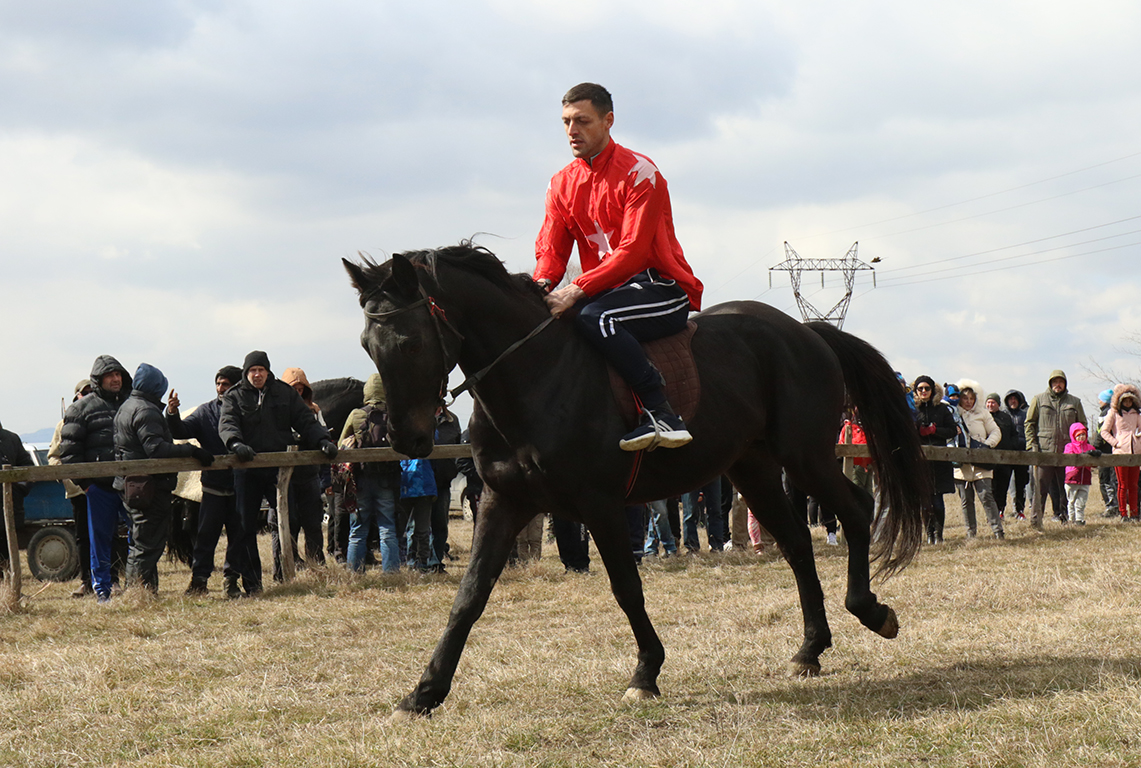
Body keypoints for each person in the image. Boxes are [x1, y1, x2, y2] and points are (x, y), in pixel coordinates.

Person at [534, 82, 703, 452]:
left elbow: (633, 252)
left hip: (660, 288)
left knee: (597, 318)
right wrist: (540, 288)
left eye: (582, 121)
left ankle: (661, 412)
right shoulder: (560, 184)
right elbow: (550, 251)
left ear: (608, 121)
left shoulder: (641, 172)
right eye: (565, 122)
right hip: (603, 292)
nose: (571, 131)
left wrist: (576, 289)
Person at [219, 351, 337, 595]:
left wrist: (323, 441)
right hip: (247, 468)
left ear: (268, 371)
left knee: (289, 519)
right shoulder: (234, 396)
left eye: (261, 369)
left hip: (278, 469)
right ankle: (253, 584)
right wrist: (234, 443)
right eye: (253, 370)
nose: (257, 374)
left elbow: (305, 420)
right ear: (246, 372)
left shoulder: (283, 393)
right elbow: (227, 422)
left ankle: (286, 576)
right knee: (246, 524)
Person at [113, 363, 214, 593]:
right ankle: (137, 592)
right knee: (148, 545)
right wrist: (190, 449)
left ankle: (145, 591)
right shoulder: (146, 411)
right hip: (149, 487)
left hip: (131, 485)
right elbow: (156, 449)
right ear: (155, 387)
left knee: (139, 542)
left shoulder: (127, 406)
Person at [58, 355, 134, 603]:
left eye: (118, 374)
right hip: (99, 487)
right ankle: (102, 590)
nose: (115, 379)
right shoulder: (80, 409)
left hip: (130, 485)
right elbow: (69, 454)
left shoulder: (132, 404)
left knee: (139, 535)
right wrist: (88, 485)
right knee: (98, 539)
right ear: (99, 379)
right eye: (110, 375)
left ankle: (137, 586)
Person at [167, 365, 244, 598]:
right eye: (218, 384)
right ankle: (199, 581)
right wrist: (172, 414)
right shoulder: (206, 411)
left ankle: (232, 582)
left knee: (238, 538)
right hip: (212, 485)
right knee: (205, 536)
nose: (221, 388)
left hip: (241, 486)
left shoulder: (248, 411)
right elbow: (181, 430)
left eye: (226, 384)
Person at [271, 367, 330, 580]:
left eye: (300, 388)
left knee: (313, 523)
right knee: (286, 524)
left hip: (309, 475)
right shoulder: (277, 410)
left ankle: (317, 567)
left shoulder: (314, 410)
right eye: (293, 388)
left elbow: (322, 437)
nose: (297, 392)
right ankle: (285, 569)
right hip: (284, 477)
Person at [340, 374, 401, 572]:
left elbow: (343, 441)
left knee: (357, 529)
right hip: (387, 479)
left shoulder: (356, 414)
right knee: (387, 528)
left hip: (361, 479)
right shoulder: (394, 414)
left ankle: (354, 571)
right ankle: (391, 572)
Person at [48, 379, 97, 596]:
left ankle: (111, 580)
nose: (87, 396)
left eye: (91, 392)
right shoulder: (63, 424)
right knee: (83, 537)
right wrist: (71, 480)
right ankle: (86, 581)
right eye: (83, 393)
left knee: (109, 534)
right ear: (76, 396)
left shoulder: (103, 419)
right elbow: (54, 458)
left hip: (104, 487)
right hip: (79, 491)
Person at [1025, 370, 1087, 531]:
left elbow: (1083, 426)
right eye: (1054, 382)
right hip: (1044, 452)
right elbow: (1029, 423)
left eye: (1060, 382)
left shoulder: (1075, 402)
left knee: (1067, 489)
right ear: (1050, 383)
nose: (1057, 385)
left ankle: (1067, 519)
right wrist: (1032, 445)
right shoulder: (1038, 400)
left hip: (1068, 453)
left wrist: (1079, 447)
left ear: (1065, 384)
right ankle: (1035, 521)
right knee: (1040, 488)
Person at [953, 379, 1004, 539]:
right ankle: (971, 533)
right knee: (966, 500)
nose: (968, 402)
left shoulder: (983, 413)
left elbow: (996, 431)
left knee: (986, 496)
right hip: (962, 464)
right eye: (965, 398)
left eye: (971, 399)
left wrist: (986, 446)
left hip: (981, 461)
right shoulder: (954, 414)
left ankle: (997, 531)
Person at [913, 376, 957, 544]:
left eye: (927, 388)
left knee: (937, 502)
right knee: (925, 502)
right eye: (920, 389)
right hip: (920, 462)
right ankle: (929, 534)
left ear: (932, 390)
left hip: (939, 461)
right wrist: (918, 431)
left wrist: (935, 430)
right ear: (916, 391)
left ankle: (939, 534)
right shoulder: (912, 410)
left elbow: (953, 430)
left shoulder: (942, 409)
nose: (924, 391)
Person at [1099, 383, 1141, 522]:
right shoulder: (1114, 413)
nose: (1128, 403)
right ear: (1120, 401)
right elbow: (1104, 431)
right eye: (1125, 400)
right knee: (1122, 485)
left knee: (1134, 485)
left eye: (1130, 400)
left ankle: (1134, 513)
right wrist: (1115, 442)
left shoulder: (1137, 414)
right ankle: (1123, 514)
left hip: (1135, 454)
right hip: (1120, 453)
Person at [0, 418, 34, 571]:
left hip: (9, 507)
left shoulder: (11, 439)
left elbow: (28, 469)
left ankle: (11, 589)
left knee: (8, 553)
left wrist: (18, 491)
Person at [985, 392, 1019, 519]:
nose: (990, 404)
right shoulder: (983, 417)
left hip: (1005, 459)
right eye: (988, 402)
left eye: (993, 402)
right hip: (989, 458)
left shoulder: (1005, 417)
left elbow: (1014, 434)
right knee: (990, 488)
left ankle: (1000, 511)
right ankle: (991, 514)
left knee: (1003, 487)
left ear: (998, 404)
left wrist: (1012, 446)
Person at [1002, 389, 1031, 520]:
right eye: (1010, 399)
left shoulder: (1025, 414)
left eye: (1015, 399)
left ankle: (1019, 510)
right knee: (1002, 484)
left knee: (1021, 484)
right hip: (1006, 453)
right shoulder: (1003, 415)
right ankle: (1000, 510)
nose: (1013, 401)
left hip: (1022, 453)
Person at [1063, 423, 1100, 525]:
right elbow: (1070, 458)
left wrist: (1096, 456)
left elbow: (1095, 465)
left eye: (1083, 434)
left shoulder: (1089, 447)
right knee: (1071, 500)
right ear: (1073, 436)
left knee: (1081, 501)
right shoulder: (1069, 446)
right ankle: (1071, 519)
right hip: (1072, 477)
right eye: (1078, 435)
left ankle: (1079, 519)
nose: (1081, 437)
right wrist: (1083, 456)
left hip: (1085, 478)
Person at [1093, 388, 1119, 518]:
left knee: (1106, 480)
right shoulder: (1115, 411)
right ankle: (1116, 506)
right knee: (1114, 479)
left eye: (1100, 399)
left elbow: (1101, 433)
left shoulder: (1106, 414)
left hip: (1105, 451)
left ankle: (1112, 507)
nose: (1098, 401)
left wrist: (1094, 447)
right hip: (1114, 450)